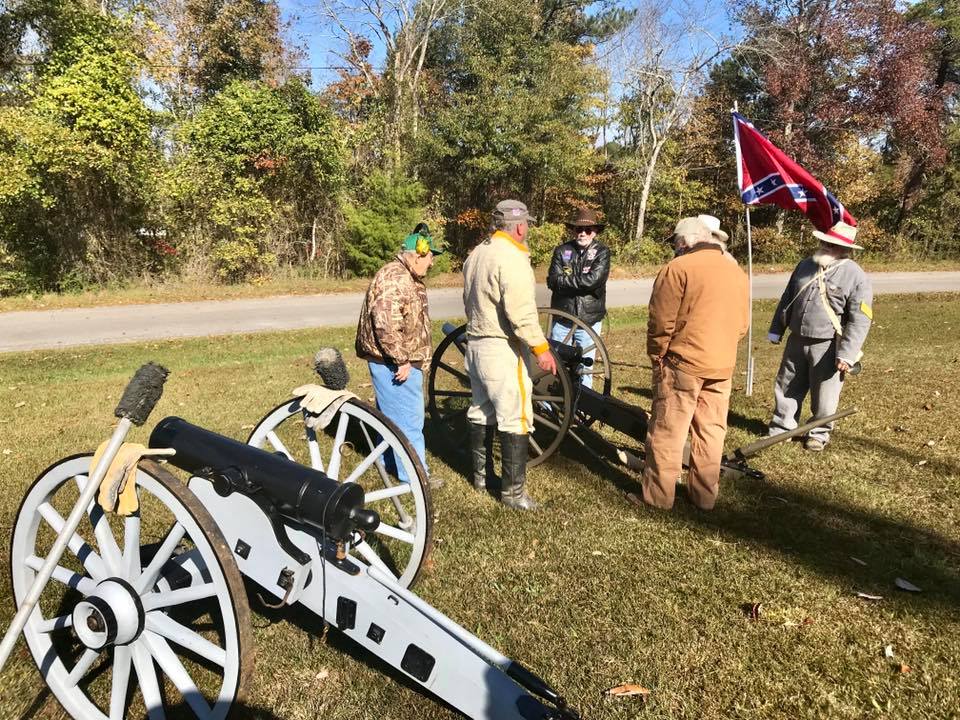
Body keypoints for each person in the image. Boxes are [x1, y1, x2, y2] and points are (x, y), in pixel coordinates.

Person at [638, 216, 749, 511]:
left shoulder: (678, 268)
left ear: (684, 242)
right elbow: (742, 325)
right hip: (722, 364)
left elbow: (661, 321)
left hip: (682, 363)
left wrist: (657, 354)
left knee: (667, 431)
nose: (676, 247)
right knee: (711, 432)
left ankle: (658, 498)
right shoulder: (736, 271)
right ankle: (704, 497)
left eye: (676, 243)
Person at [462, 200, 558, 510]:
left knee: (481, 410)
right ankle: (514, 495)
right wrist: (541, 349)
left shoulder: (476, 254)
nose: (527, 228)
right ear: (519, 227)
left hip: (475, 345)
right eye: (527, 224)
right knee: (515, 417)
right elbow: (521, 312)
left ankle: (481, 479)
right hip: (500, 348)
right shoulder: (512, 258)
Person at [767, 221, 872, 451]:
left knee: (824, 394)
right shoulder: (805, 265)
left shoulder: (856, 275)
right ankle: (781, 428)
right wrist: (777, 329)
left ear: (845, 250)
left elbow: (860, 319)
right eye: (824, 241)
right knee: (786, 386)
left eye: (831, 244)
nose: (825, 246)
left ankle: (819, 433)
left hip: (828, 344)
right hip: (797, 338)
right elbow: (787, 299)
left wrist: (847, 354)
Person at [355, 223, 445, 489]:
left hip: (394, 360)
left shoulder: (405, 276)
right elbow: (385, 323)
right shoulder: (395, 278)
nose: (432, 264)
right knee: (409, 421)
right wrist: (402, 359)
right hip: (395, 363)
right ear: (417, 254)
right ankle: (416, 479)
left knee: (393, 420)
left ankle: (392, 466)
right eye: (430, 257)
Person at [546, 208, 611, 388]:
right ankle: (549, 403)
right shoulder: (562, 251)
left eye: (587, 230)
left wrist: (565, 282)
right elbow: (552, 280)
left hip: (589, 319)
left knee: (585, 367)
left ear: (595, 232)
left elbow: (593, 281)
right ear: (573, 231)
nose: (582, 233)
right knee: (555, 364)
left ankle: (583, 406)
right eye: (578, 229)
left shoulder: (602, 252)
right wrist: (579, 283)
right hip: (562, 318)